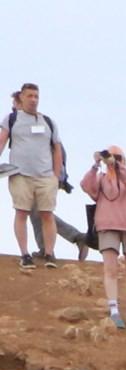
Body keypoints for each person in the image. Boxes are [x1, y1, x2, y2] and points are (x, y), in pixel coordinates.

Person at [76, 145, 126, 330]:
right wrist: (95, 164)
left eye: (118, 157)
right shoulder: (102, 179)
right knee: (110, 269)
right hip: (107, 225)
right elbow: (86, 186)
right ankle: (114, 310)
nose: (114, 161)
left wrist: (119, 167)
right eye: (112, 158)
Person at [7, 85, 66, 270]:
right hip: (20, 174)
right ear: (21, 98)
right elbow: (2, 138)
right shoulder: (12, 119)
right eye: (30, 95)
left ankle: (49, 254)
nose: (33, 99)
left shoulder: (47, 121)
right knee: (22, 212)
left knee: (47, 213)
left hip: (45, 176)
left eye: (36, 96)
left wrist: (56, 176)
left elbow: (57, 148)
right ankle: (25, 254)